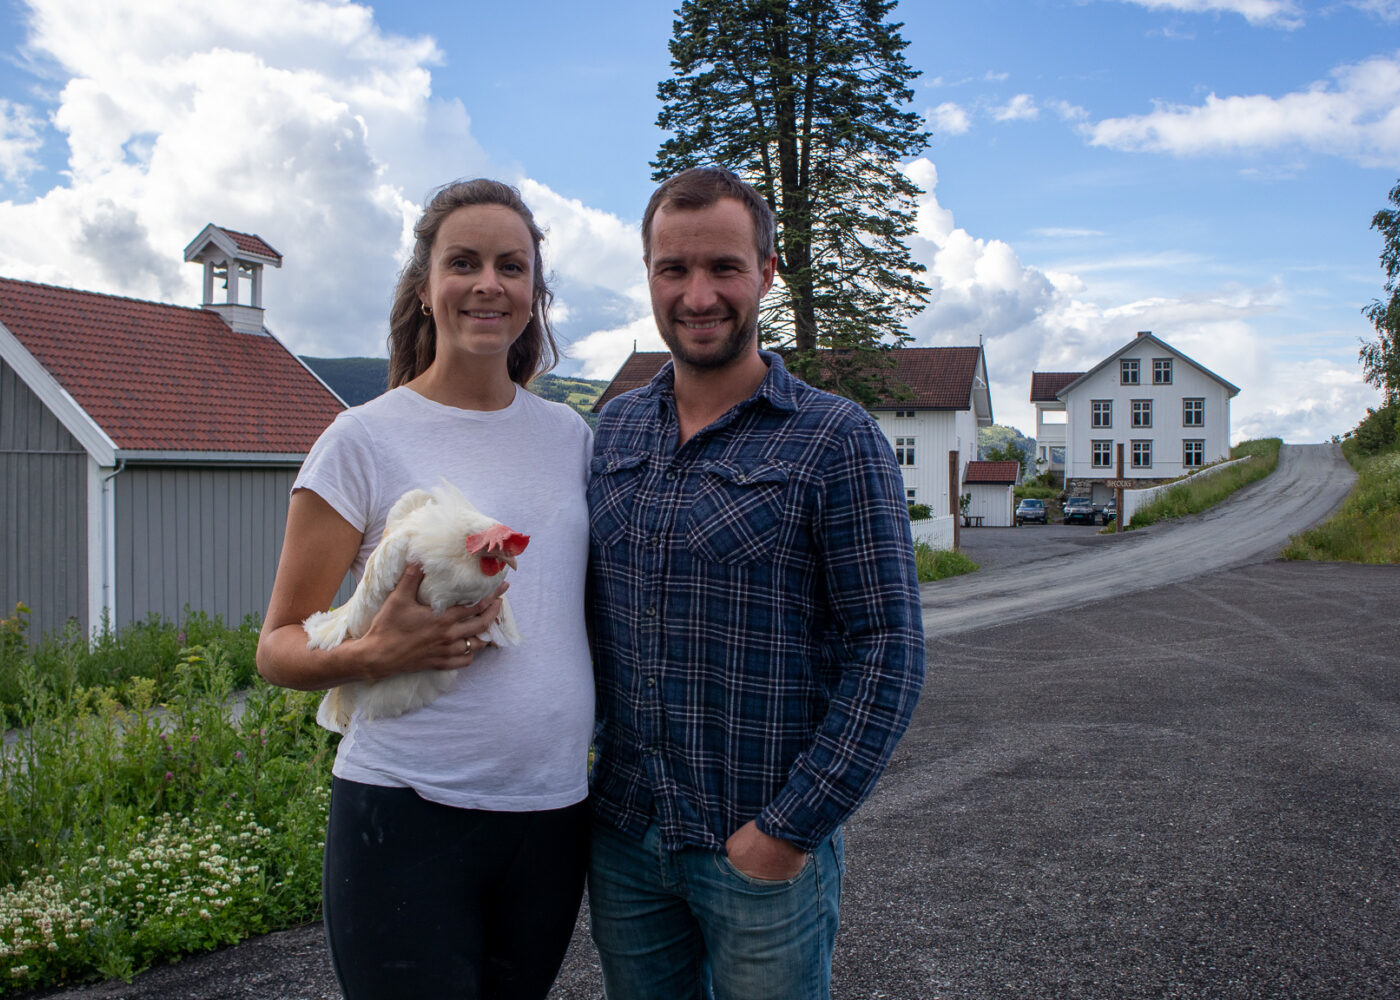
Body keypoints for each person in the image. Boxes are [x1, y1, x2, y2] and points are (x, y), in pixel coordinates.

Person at [585, 166, 926, 999]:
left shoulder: (835, 439)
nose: (698, 295)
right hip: (626, 839)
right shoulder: (614, 430)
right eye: (674, 269)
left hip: (761, 851)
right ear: (649, 275)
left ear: (767, 273)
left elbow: (889, 649)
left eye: (724, 268)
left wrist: (791, 828)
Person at [256, 179, 593, 1000]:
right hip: (404, 813)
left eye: (511, 266)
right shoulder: (361, 439)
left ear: (535, 293)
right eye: (464, 263)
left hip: (552, 815)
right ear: (424, 287)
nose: (489, 284)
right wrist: (373, 653)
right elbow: (277, 648)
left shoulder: (571, 437)